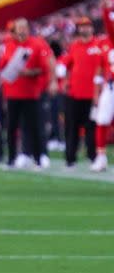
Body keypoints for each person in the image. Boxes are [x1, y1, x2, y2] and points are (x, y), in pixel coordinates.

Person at [0, 18, 52, 169]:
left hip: (31, 93)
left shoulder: (37, 44)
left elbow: (44, 68)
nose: (21, 31)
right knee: (11, 127)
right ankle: (11, 159)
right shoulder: (9, 45)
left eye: (23, 27)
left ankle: (38, 158)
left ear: (28, 29)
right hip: (12, 92)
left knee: (34, 126)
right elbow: (2, 66)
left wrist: (29, 72)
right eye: (18, 28)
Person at [57, 18, 105, 169]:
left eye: (87, 26)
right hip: (74, 94)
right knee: (71, 128)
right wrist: (64, 80)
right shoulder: (74, 46)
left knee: (92, 128)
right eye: (82, 27)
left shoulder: (99, 45)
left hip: (93, 96)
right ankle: (70, 159)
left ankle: (93, 157)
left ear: (92, 28)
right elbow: (62, 66)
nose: (84, 29)